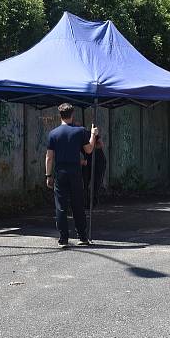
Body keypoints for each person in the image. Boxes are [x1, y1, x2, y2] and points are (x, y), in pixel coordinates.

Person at [45, 103, 99, 247]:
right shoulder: (80, 131)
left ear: (60, 115)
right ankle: (82, 236)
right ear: (72, 114)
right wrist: (93, 135)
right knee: (77, 204)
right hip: (75, 172)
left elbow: (49, 157)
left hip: (60, 172)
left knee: (61, 206)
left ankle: (63, 239)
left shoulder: (53, 133)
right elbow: (88, 150)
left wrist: (48, 175)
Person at [82, 133, 107, 207]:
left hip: (99, 161)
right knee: (85, 181)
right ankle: (85, 202)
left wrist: (91, 146)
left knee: (97, 182)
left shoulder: (91, 132)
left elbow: (101, 144)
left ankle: (94, 202)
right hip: (87, 161)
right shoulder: (75, 136)